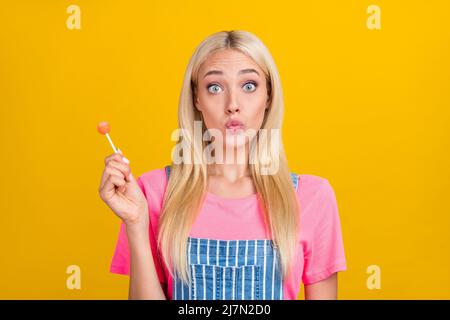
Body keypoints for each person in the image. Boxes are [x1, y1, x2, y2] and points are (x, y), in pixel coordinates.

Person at [98, 30, 347, 300]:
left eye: (249, 86)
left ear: (268, 97)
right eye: (215, 87)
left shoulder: (313, 197)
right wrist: (136, 222)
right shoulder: (153, 191)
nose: (232, 105)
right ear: (197, 99)